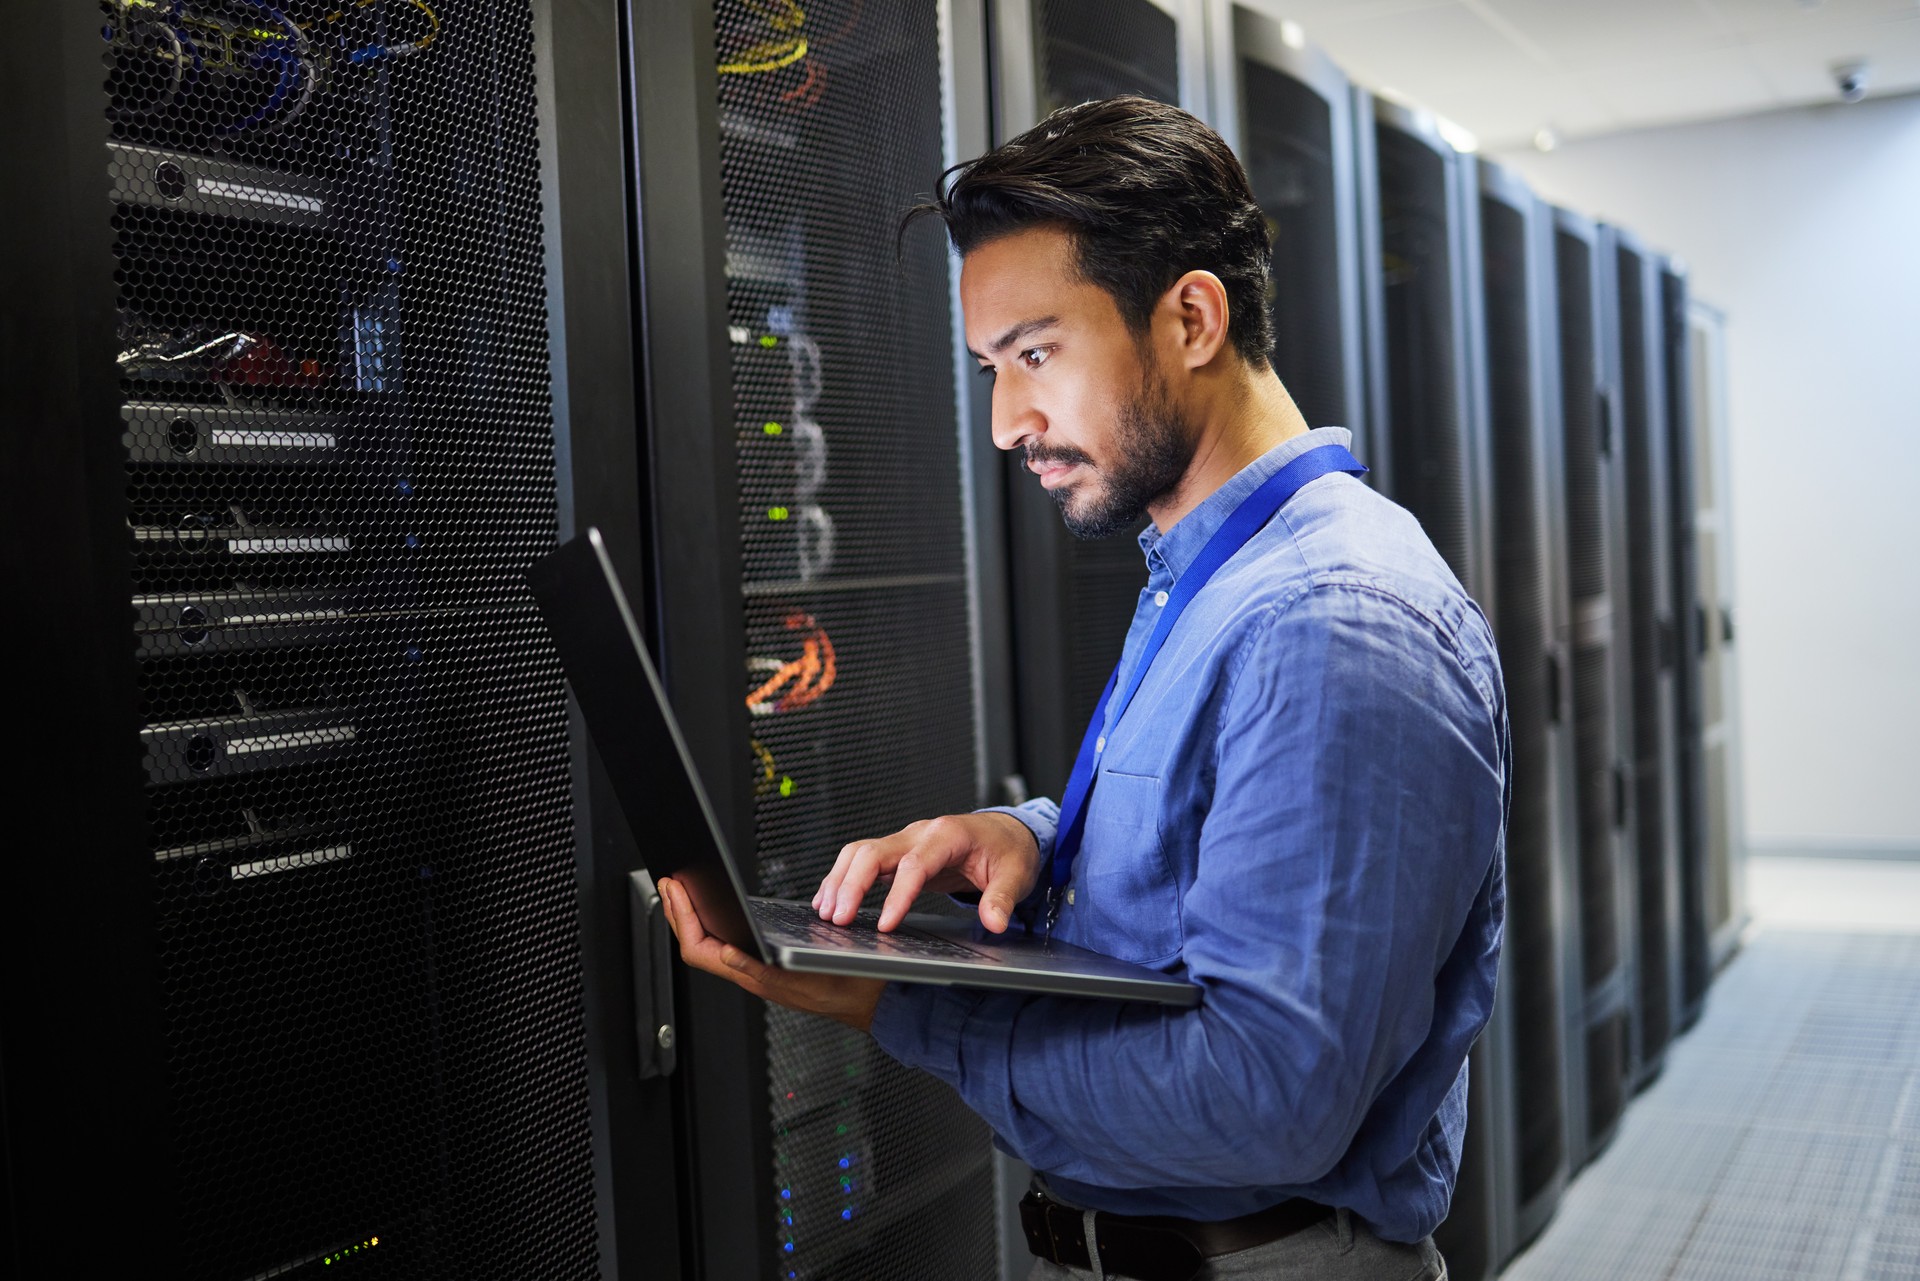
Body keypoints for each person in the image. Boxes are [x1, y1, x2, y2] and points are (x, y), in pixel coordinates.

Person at [659, 95, 1505, 1281]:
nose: (1008, 422)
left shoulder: (1333, 624)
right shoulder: (1213, 576)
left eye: (1036, 355)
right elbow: (1224, 837)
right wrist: (1023, 836)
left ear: (1193, 317)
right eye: (992, 369)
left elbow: (1270, 1101)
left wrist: (897, 1008)